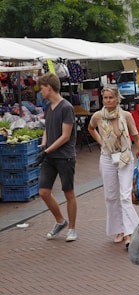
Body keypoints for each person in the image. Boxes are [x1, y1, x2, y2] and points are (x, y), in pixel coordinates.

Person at [88, 87, 139, 247]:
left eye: (111, 98)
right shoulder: (98, 116)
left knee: (125, 196)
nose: (108, 101)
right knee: (111, 196)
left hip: (125, 156)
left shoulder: (125, 116)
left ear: (117, 99)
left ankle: (131, 232)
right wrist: (101, 142)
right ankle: (119, 229)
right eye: (105, 98)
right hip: (107, 157)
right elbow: (90, 128)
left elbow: (136, 137)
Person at [36, 73, 78, 242]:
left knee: (68, 192)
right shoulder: (48, 106)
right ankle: (60, 221)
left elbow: (65, 136)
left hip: (64, 157)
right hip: (50, 155)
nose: (40, 92)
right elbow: (47, 127)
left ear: (49, 87)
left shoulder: (66, 107)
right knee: (44, 192)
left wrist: (47, 151)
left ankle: (72, 228)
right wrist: (44, 145)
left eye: (41, 88)